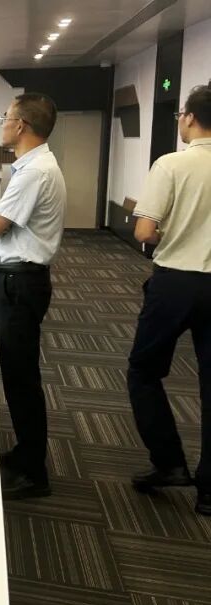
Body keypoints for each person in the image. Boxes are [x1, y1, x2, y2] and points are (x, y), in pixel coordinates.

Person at [126, 85, 211, 515]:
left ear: (190, 118)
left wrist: (175, 236)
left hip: (176, 282)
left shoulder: (173, 163)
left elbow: (144, 231)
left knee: (144, 371)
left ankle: (170, 463)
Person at [0, 93, 66, 499]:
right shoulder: (35, 167)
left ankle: (34, 472)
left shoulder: (33, 172)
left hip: (19, 282)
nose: (2, 124)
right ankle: (25, 454)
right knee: (18, 376)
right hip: (20, 280)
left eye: (6, 117)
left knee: (21, 378)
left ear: (22, 125)